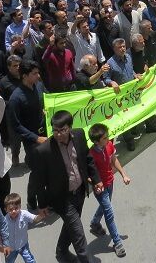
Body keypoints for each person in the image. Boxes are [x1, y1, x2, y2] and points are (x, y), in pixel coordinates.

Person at [27, 110, 103, 263]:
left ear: (70, 127)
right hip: (62, 199)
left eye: (62, 130)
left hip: (80, 192)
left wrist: (96, 180)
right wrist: (41, 204)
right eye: (55, 130)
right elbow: (38, 181)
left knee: (71, 227)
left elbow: (87, 158)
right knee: (79, 235)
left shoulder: (80, 135)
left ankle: (61, 252)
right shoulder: (44, 150)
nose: (58, 134)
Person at [87, 123, 130, 258]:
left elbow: (113, 159)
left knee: (105, 206)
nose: (108, 139)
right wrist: (95, 184)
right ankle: (117, 243)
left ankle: (94, 223)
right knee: (109, 213)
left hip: (110, 183)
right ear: (96, 141)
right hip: (100, 188)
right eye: (105, 138)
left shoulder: (109, 145)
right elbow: (87, 174)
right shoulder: (90, 155)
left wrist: (123, 174)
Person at [6, 61, 47, 172]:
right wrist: (36, 138)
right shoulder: (16, 98)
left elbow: (47, 99)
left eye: (38, 73)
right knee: (37, 166)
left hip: (45, 131)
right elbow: (15, 124)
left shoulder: (39, 86)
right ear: (24, 76)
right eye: (34, 73)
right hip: (31, 139)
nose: (38, 76)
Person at [4, 193, 46, 263]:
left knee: (30, 260)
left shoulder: (24, 214)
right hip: (10, 248)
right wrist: (2, 246)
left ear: (20, 206)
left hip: (23, 245)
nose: (14, 211)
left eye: (16, 208)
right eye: (10, 209)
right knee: (9, 261)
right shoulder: (4, 220)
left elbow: (34, 219)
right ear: (6, 210)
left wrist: (41, 215)